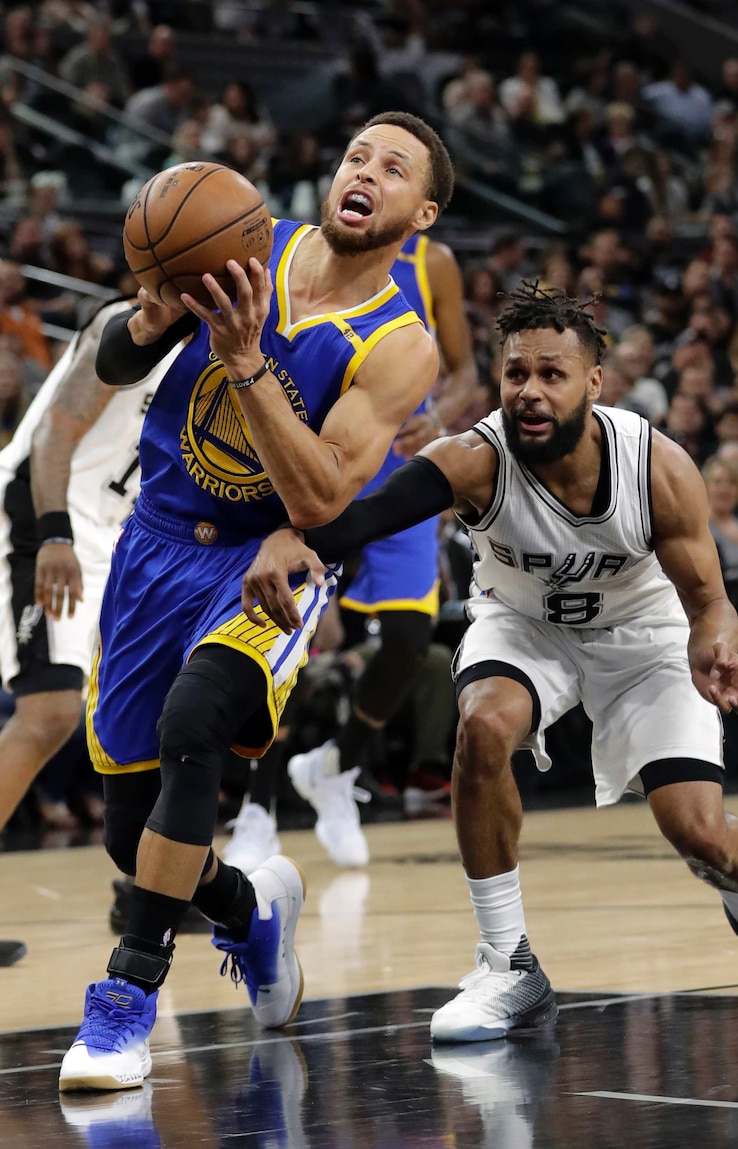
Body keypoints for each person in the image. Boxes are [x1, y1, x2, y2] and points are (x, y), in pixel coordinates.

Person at [246, 282, 738, 1043]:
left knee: (697, 830)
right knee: (484, 723)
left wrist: (713, 642)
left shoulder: (656, 464)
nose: (529, 392)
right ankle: (507, 962)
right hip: (524, 625)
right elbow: (363, 517)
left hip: (644, 633)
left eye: (551, 374)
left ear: (593, 383)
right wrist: (292, 538)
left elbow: (709, 599)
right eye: (515, 374)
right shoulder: (475, 459)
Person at [58, 111, 454, 1091]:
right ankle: (247, 912)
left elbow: (324, 494)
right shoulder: (237, 241)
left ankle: (124, 999)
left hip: (263, 565)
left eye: (393, 168)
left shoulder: (402, 347)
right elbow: (103, 362)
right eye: (357, 152)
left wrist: (242, 359)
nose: (365, 171)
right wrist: (145, 322)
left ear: (422, 213)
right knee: (128, 833)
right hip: (152, 547)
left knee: (197, 727)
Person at [279, 232, 479, 870]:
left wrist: (441, 418)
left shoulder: (434, 261)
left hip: (394, 469)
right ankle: (256, 807)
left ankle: (337, 767)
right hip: (323, 462)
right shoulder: (312, 249)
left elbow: (465, 369)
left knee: (410, 642)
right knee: (285, 640)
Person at [0, 299, 180, 967]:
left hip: (122, 533)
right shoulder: (130, 322)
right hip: (50, 509)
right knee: (47, 711)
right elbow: (52, 431)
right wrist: (52, 534)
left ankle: (146, 888)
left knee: (158, 707)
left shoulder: (229, 344)